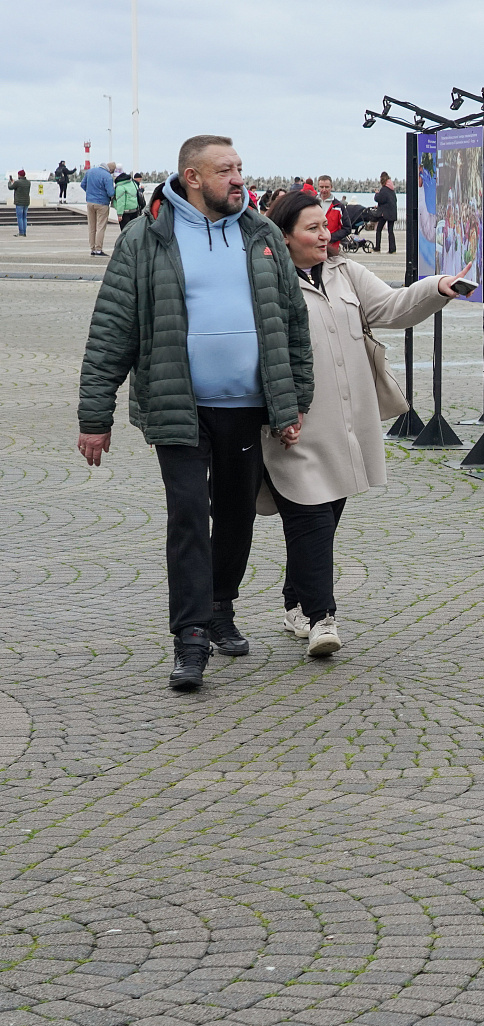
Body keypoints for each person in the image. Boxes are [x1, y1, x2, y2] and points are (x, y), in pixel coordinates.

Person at [76, 134, 313, 691]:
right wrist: (95, 416)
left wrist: (294, 400)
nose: (239, 179)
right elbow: (112, 327)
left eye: (240, 168)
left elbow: (293, 323)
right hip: (178, 403)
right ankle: (190, 638)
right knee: (187, 515)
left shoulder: (261, 237)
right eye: (225, 170)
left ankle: (220, 604)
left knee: (235, 512)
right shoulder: (145, 239)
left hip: (247, 404)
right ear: (193, 178)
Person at [262, 191, 468, 656]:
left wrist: (438, 287)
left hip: (346, 422)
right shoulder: (264, 282)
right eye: (312, 228)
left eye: (324, 225)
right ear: (285, 235)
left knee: (325, 516)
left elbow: (392, 309)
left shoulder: (345, 273)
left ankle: (295, 599)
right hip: (294, 424)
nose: (324, 234)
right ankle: (322, 619)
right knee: (309, 516)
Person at [82, 157, 116, 255]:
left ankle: (92, 249)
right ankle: (98, 249)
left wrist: (90, 194)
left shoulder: (90, 171)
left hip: (90, 202)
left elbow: (83, 185)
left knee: (92, 227)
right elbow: (110, 192)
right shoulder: (107, 176)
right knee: (101, 226)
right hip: (102, 203)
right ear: (110, 170)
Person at [372, 172, 397, 253]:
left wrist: (376, 193)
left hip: (385, 214)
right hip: (392, 213)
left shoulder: (384, 190)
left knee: (379, 229)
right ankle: (392, 249)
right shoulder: (392, 190)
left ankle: (378, 247)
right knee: (390, 231)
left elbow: (379, 199)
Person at [10, 170, 30, 235]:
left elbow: (10, 187)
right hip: (26, 201)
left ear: (19, 175)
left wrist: (10, 182)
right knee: (24, 217)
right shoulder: (28, 182)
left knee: (20, 217)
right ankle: (24, 232)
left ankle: (21, 232)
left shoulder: (17, 182)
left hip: (19, 202)